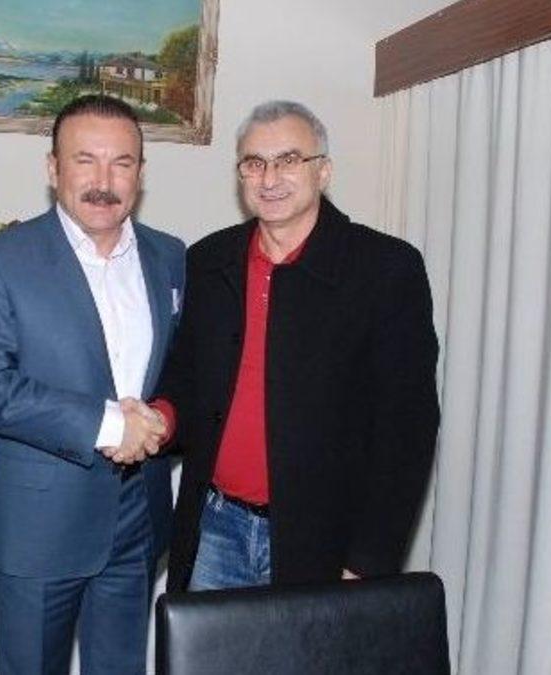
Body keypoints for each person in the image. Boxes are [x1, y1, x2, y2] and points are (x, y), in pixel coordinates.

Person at [153, 100, 440, 592]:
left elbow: (407, 428)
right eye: (254, 163)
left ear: (323, 171)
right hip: (216, 528)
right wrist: (160, 416)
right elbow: (186, 375)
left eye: (288, 160)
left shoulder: (386, 269)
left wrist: (368, 560)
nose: (270, 179)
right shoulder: (208, 261)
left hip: (326, 542)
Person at [0, 94, 184, 674]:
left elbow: (182, 370)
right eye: (85, 160)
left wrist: (160, 418)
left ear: (141, 173)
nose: (103, 181)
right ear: (53, 167)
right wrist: (109, 424)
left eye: (121, 163)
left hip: (138, 520)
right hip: (39, 526)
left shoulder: (170, 257)